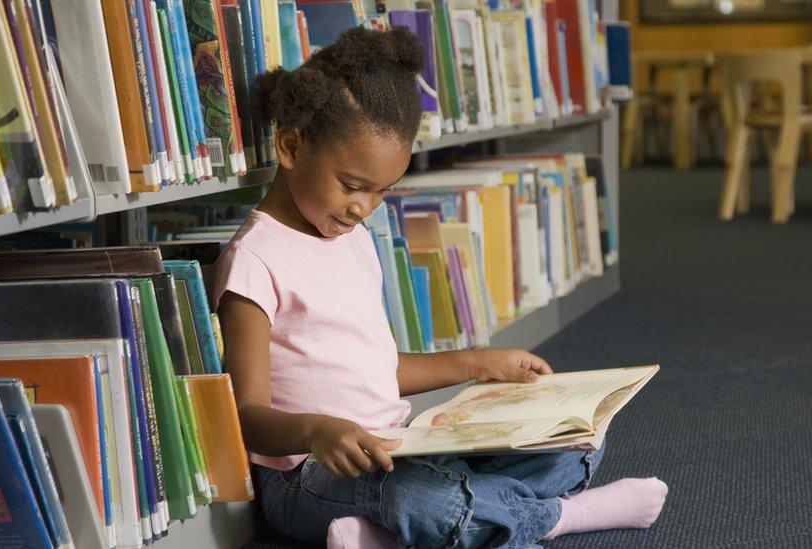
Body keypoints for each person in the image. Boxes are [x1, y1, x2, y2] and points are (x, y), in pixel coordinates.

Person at [213, 26, 667, 549]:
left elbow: (375, 371)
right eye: (353, 186)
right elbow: (245, 415)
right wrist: (316, 430)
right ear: (291, 147)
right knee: (419, 499)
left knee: (576, 443)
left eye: (382, 192)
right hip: (306, 477)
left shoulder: (352, 237)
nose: (365, 208)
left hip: (400, 450)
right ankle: (566, 515)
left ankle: (383, 537)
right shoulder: (254, 260)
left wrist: (477, 364)